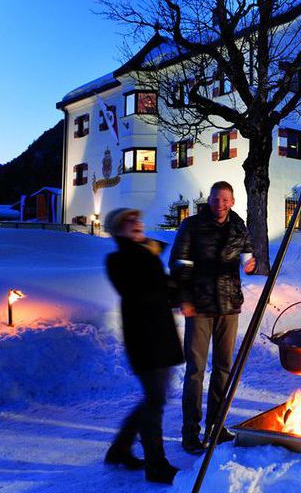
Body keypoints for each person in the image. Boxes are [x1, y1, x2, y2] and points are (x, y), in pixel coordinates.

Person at [170, 181, 256, 454]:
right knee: (196, 370)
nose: (220, 204)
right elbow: (179, 263)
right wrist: (184, 298)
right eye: (216, 199)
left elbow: (248, 256)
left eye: (225, 200)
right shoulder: (192, 225)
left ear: (232, 202)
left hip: (229, 305)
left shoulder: (238, 227)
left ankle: (216, 428)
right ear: (209, 200)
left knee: (223, 369)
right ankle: (190, 433)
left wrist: (250, 265)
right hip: (199, 305)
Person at [104, 208, 184, 485]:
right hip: (144, 338)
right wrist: (163, 278)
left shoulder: (145, 255)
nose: (136, 223)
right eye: (128, 221)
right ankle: (156, 465)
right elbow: (140, 292)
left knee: (154, 398)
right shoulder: (118, 260)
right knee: (155, 400)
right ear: (117, 230)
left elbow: (164, 291)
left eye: (137, 219)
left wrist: (178, 289)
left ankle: (120, 448)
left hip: (160, 334)